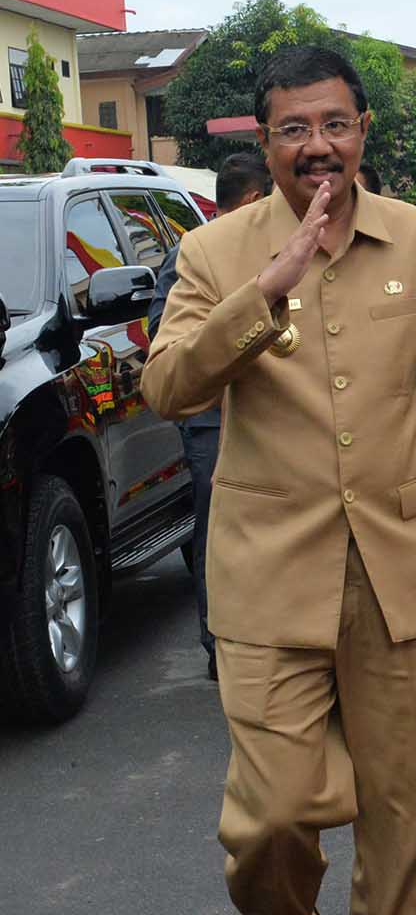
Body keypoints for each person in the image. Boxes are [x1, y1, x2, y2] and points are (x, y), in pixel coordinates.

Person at [142, 45, 416, 914]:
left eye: (335, 125)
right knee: (270, 816)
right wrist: (261, 294)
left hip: (396, 566)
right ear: (266, 140)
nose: (318, 145)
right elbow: (166, 388)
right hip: (268, 572)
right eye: (295, 129)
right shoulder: (212, 251)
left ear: (362, 132)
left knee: (405, 817)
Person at [146, 151, 272, 681]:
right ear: (249, 200)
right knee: (219, 528)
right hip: (213, 419)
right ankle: (220, 642)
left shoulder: (272, 248)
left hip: (272, 415)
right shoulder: (195, 254)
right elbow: (164, 337)